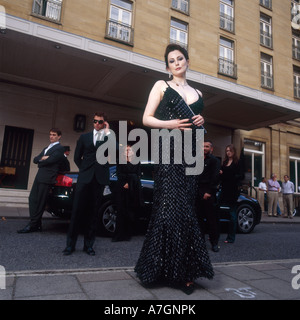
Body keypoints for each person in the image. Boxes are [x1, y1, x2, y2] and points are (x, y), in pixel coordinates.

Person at [134, 44, 214, 295]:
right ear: (167, 66)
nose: (177, 63)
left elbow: (199, 128)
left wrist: (201, 121)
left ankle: (185, 272)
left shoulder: (198, 92)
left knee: (187, 208)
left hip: (190, 153)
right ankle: (158, 269)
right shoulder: (161, 85)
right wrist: (172, 124)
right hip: (168, 149)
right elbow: (146, 118)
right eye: (171, 60)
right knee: (168, 207)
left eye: (180, 58)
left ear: (188, 62)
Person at [63, 112, 111, 256]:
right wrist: (84, 169)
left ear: (104, 123)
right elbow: (77, 157)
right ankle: (70, 246)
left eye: (100, 122)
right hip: (84, 179)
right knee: (76, 212)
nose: (97, 124)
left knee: (93, 214)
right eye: (95, 121)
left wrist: (108, 132)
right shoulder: (84, 137)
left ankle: (88, 246)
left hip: (99, 180)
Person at [18, 128, 65, 233]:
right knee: (32, 199)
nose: (51, 136)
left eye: (53, 135)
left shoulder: (60, 148)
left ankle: (33, 225)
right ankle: (37, 224)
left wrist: (42, 160)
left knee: (40, 202)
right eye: (50, 134)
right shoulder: (46, 148)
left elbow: (51, 161)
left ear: (59, 136)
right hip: (39, 176)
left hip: (48, 178)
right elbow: (35, 159)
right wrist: (43, 159)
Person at [112, 145, 143, 242]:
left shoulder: (137, 162)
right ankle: (119, 235)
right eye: (126, 150)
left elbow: (138, 175)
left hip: (133, 188)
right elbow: (119, 173)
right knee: (121, 211)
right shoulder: (120, 161)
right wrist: (125, 183)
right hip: (122, 188)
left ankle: (128, 234)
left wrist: (132, 183)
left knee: (131, 211)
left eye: (130, 150)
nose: (128, 151)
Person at [197, 140, 221, 252]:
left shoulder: (215, 161)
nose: (204, 148)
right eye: (202, 146)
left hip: (208, 193)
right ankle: (200, 243)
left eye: (206, 146)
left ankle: (214, 243)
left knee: (212, 220)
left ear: (211, 149)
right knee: (199, 220)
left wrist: (209, 192)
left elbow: (215, 177)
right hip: (197, 193)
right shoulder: (196, 160)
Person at [219, 144, 244, 244]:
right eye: (227, 151)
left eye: (229, 150)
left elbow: (240, 176)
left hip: (233, 191)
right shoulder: (224, 162)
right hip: (224, 189)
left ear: (233, 151)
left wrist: (227, 175)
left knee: (232, 214)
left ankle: (231, 237)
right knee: (217, 211)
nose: (228, 152)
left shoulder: (238, 162)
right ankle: (215, 235)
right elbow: (222, 176)